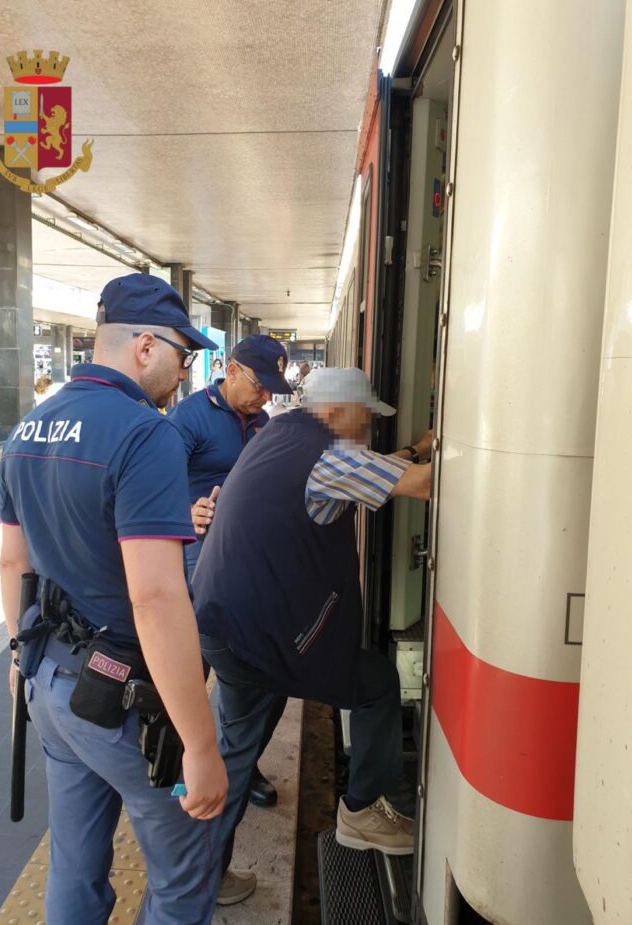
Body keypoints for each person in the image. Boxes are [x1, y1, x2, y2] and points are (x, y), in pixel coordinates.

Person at [0, 274, 227, 925]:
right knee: (185, 875)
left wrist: (20, 663)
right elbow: (156, 598)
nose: (185, 375)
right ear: (147, 347)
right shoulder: (143, 434)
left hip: (51, 684)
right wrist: (202, 746)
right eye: (185, 357)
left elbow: (14, 563)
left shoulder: (29, 428)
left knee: (74, 867)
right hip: (125, 704)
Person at [181, 367, 432, 919]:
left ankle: (198, 876)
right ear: (340, 411)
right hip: (263, 632)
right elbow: (423, 485)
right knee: (376, 684)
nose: (366, 428)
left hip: (227, 622)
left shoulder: (280, 431)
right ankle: (362, 812)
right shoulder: (331, 453)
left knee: (237, 751)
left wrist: (415, 446)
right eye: (365, 417)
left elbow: (374, 472)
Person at [169, 333, 294, 906]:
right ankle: (186, 781)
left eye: (272, 389)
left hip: (242, 578)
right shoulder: (189, 419)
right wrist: (184, 511)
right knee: (189, 689)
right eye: (258, 384)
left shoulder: (262, 424)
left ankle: (237, 766)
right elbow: (144, 488)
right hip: (197, 579)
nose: (263, 397)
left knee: (240, 696)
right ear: (229, 368)